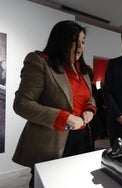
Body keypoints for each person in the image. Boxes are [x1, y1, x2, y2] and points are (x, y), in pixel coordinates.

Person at [12, 20, 97, 187]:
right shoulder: (40, 62)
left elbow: (89, 98)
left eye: (83, 41)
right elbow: (22, 103)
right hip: (51, 142)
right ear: (60, 40)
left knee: (76, 181)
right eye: (74, 41)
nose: (79, 46)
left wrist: (90, 109)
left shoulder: (84, 71)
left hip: (82, 138)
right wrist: (63, 118)